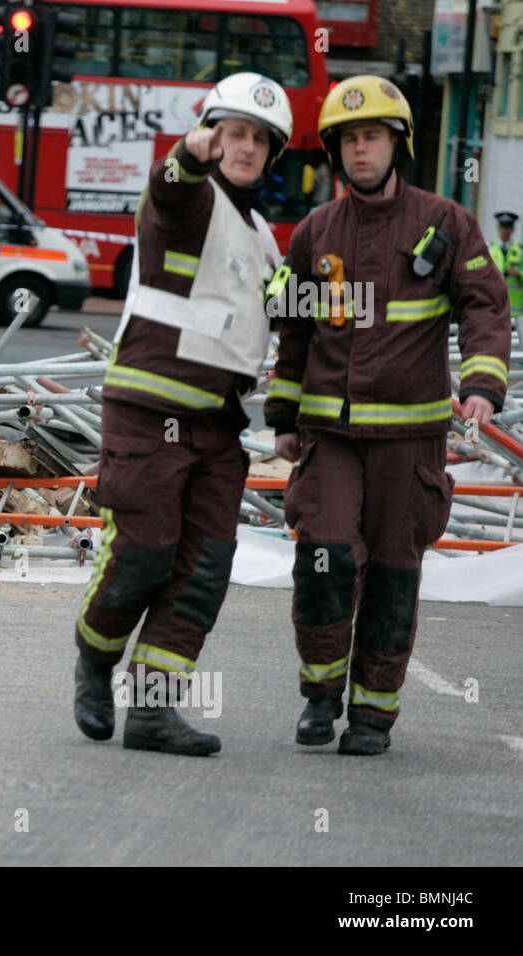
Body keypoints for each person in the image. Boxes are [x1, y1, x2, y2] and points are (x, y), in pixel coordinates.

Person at [264, 76, 512, 755]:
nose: (360, 150)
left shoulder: (446, 224)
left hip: (410, 439)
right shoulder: (314, 232)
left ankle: (374, 713)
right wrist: (283, 415)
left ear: (397, 144)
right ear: (335, 153)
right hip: (330, 438)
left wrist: (484, 383)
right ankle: (320, 695)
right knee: (323, 556)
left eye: (372, 136)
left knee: (395, 571)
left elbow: (486, 308)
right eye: (348, 140)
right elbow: (293, 335)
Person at [72, 74, 293, 756]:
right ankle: (95, 655)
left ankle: (153, 714)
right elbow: (170, 184)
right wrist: (189, 153)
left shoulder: (263, 238)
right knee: (143, 553)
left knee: (202, 571)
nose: (246, 147)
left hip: (219, 428)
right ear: (211, 133)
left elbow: (282, 322)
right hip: (149, 410)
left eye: (259, 139)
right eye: (233, 132)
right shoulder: (188, 198)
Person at [488, 211, 523, 328]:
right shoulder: (490, 250)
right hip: (494, 308)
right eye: (502, 227)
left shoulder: (520, 251)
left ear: (513, 229)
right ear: (498, 228)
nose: (505, 230)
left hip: (516, 312)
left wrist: (519, 274)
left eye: (508, 227)